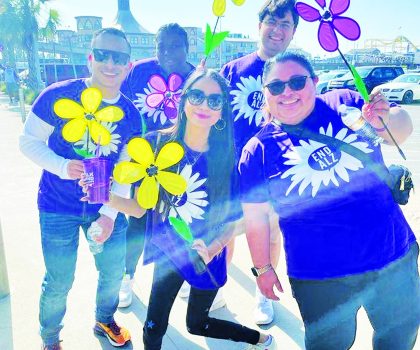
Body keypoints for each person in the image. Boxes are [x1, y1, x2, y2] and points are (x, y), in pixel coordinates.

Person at [239, 52, 419, 349]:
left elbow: (401, 131)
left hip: (391, 257)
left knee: (397, 339)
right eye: (276, 87)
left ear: (315, 81)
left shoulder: (346, 102)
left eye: (297, 82)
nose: (287, 92)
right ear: (264, 93)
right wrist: (263, 269)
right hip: (320, 277)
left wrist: (385, 117)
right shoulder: (257, 150)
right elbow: (255, 219)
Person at [93, 68, 277, 350]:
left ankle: (258, 338)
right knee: (153, 327)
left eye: (215, 101)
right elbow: (140, 208)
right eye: (197, 95)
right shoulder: (155, 144)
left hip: (207, 255)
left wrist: (215, 246)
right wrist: (102, 195)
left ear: (221, 112)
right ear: (183, 100)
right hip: (169, 250)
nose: (205, 105)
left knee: (197, 324)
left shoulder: (228, 157)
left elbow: (237, 218)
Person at [19, 28, 141, 350]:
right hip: (58, 206)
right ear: (91, 58)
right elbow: (28, 142)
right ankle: (50, 339)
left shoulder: (130, 115)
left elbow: (126, 171)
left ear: (129, 65)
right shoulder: (59, 95)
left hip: (106, 205)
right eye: (103, 54)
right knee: (59, 281)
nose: (110, 63)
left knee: (113, 274)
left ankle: (104, 320)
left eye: (120, 57)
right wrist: (62, 165)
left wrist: (110, 214)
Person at [119, 23, 229, 311]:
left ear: (187, 48)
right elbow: (122, 103)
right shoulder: (139, 70)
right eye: (161, 46)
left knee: (181, 219)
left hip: (181, 160)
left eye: (175, 46)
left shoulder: (194, 74)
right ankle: (127, 277)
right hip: (146, 156)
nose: (167, 52)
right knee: (139, 219)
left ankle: (184, 274)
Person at [219, 0, 299, 325]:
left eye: (286, 25)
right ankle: (216, 287)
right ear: (260, 24)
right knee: (227, 234)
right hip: (231, 172)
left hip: (275, 175)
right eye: (273, 21)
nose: (278, 30)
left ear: (293, 32)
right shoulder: (232, 70)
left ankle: (264, 293)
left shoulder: (296, 73)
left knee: (271, 235)